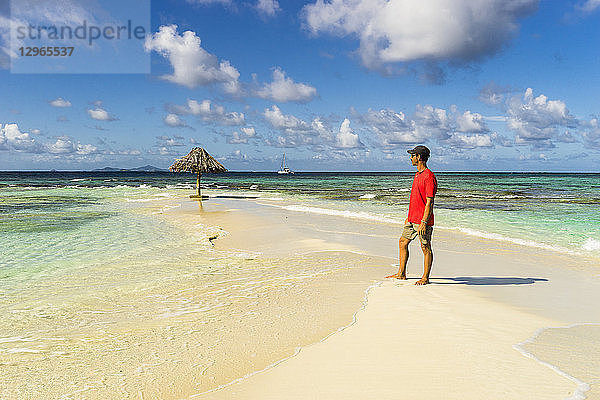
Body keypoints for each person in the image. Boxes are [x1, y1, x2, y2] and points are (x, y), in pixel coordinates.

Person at [386, 145, 437, 285]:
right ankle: (401, 274)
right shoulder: (417, 174)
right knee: (402, 242)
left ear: (419, 157)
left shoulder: (429, 177)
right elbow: (416, 199)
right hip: (412, 219)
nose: (410, 158)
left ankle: (425, 278)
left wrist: (424, 222)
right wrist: (408, 217)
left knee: (425, 248)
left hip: (422, 221)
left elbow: (429, 202)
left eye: (412, 155)